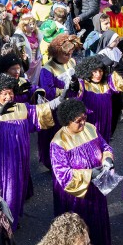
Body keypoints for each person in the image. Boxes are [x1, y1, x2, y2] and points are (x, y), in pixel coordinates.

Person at [0, 73, 63, 229]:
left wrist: (62, 97)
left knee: (17, 190)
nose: (8, 96)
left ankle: (13, 218)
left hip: (20, 158)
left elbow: (43, 109)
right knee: (1, 189)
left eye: (10, 92)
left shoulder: (22, 108)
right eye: (4, 93)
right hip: (1, 162)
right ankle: (1, 221)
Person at [49, 99, 114, 245]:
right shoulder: (58, 142)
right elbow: (63, 175)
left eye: (84, 118)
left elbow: (105, 146)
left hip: (95, 189)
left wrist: (107, 158)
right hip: (76, 197)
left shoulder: (91, 128)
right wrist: (90, 174)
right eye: (78, 121)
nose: (83, 123)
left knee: (97, 223)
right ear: (67, 121)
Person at [37, 35, 79, 169]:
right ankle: (54, 163)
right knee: (56, 137)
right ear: (56, 53)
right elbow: (48, 91)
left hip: (71, 106)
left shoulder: (71, 62)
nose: (69, 56)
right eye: (66, 54)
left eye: (71, 53)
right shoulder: (47, 69)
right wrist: (67, 90)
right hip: (56, 110)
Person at [70, 54, 123, 144]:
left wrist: (115, 65)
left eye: (100, 71)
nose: (98, 74)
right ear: (88, 71)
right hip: (89, 122)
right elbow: (74, 93)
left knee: (103, 145)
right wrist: (73, 83)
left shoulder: (108, 82)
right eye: (94, 71)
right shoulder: (83, 83)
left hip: (104, 122)